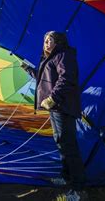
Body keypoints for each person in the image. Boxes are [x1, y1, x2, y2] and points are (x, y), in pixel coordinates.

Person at [21, 31, 86, 200]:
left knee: (69, 146)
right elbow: (44, 79)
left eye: (50, 40)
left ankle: (79, 190)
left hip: (62, 106)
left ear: (59, 41)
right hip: (56, 108)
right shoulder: (49, 59)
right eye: (45, 40)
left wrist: (52, 98)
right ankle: (66, 177)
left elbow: (67, 79)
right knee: (61, 142)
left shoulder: (64, 55)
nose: (46, 43)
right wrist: (28, 69)